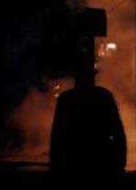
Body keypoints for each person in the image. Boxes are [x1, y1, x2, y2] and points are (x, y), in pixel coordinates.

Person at [49, 47, 127, 180]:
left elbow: (57, 136)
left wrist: (55, 167)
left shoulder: (66, 99)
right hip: (100, 162)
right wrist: (120, 164)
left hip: (73, 162)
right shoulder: (104, 97)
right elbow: (118, 133)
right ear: (93, 75)